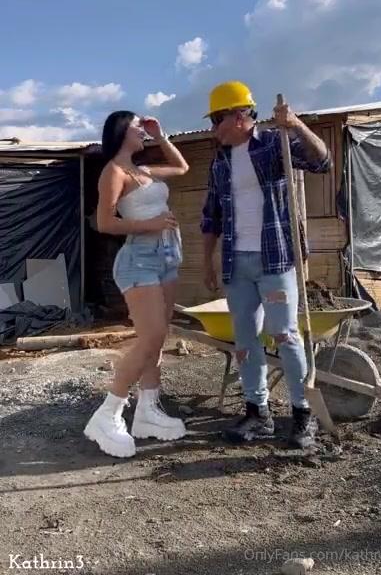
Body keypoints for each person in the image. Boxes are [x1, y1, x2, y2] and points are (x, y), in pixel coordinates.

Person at [200, 82, 332, 448]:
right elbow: (211, 216)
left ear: (239, 116)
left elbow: (322, 161)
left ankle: (303, 414)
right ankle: (258, 413)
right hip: (236, 264)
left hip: (274, 259)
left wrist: (296, 124)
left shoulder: (274, 145)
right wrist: (208, 261)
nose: (213, 129)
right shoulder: (220, 161)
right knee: (245, 341)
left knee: (286, 336)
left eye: (216, 120)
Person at [84, 111, 189, 458]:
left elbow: (182, 167)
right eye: (137, 128)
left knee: (159, 336)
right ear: (120, 132)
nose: (142, 132)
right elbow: (103, 222)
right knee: (151, 336)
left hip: (167, 257)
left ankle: (147, 411)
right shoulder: (113, 172)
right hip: (138, 259)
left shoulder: (142, 170)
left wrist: (160, 136)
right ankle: (108, 413)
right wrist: (150, 224)